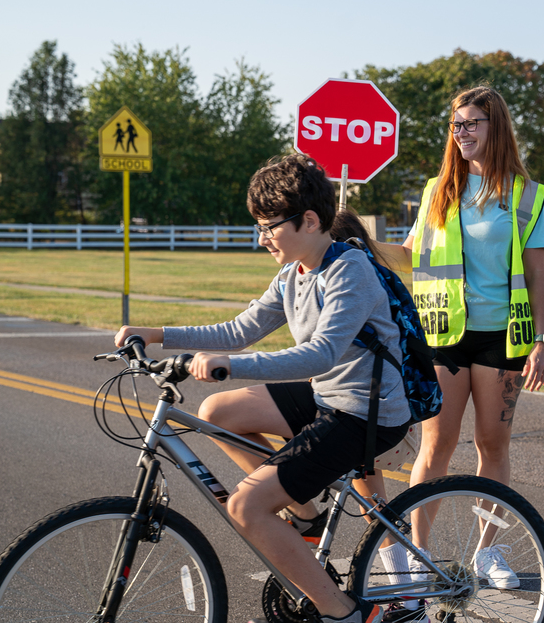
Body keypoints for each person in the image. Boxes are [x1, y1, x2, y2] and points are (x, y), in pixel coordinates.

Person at [114, 154, 409, 623]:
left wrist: (230, 365)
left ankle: (345, 614)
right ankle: (306, 516)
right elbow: (238, 330)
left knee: (247, 508)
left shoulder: (350, 271)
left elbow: (320, 355)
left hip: (366, 412)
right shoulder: (294, 272)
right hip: (329, 396)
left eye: (269, 226)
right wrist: (156, 334)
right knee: (217, 411)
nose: (262, 238)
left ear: (309, 220)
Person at [386, 86, 544, 590]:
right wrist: (356, 241)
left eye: (471, 124)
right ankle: (419, 555)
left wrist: (543, 340)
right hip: (444, 334)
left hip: (503, 338)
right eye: (456, 125)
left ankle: (490, 553)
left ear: (495, 127)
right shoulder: (439, 190)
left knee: (492, 445)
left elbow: (538, 276)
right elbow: (410, 256)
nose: (460, 134)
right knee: (435, 448)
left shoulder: (531, 195)